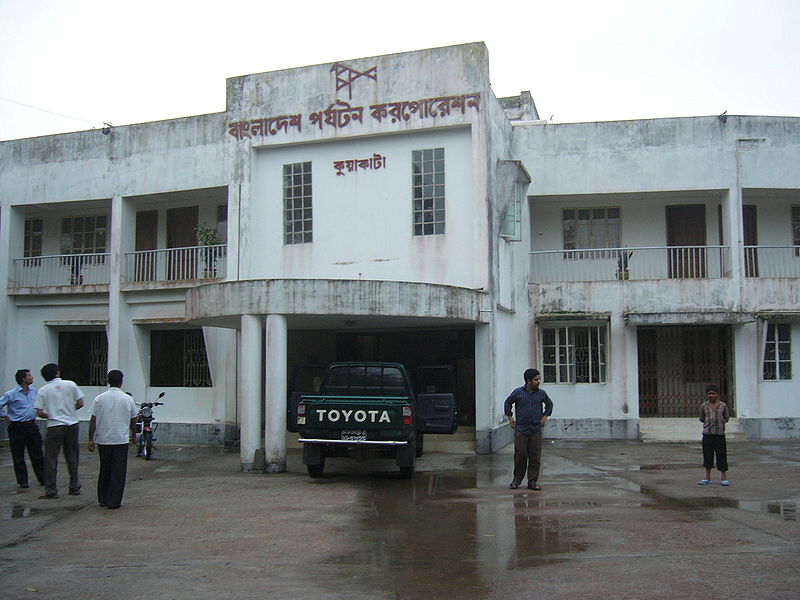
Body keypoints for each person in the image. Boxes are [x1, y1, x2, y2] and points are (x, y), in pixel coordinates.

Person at [88, 370, 138, 509]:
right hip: (120, 439)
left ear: (108, 381)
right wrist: (134, 435)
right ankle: (114, 501)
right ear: (121, 382)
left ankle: (103, 498)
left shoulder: (99, 399)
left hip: (103, 439)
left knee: (105, 468)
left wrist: (91, 439)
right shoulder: (127, 399)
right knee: (118, 471)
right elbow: (134, 420)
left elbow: (93, 420)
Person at [34, 363, 84, 499]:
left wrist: (52, 414)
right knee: (73, 456)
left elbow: (40, 412)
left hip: (55, 425)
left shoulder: (43, 390)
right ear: (57, 373)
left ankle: (51, 490)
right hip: (72, 424)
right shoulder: (71, 384)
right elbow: (80, 403)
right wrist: (70, 411)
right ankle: (74, 486)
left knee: (51, 458)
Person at [504, 368, 553, 490]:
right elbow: (508, 403)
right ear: (529, 381)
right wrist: (510, 418)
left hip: (535, 430)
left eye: (539, 379)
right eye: (536, 380)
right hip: (521, 430)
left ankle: (532, 481)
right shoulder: (518, 393)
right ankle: (516, 480)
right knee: (521, 454)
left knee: (535, 456)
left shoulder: (541, 394)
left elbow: (549, 404)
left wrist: (545, 417)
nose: (539, 382)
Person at [0, 369, 45, 490]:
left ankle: (42, 478)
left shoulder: (34, 392)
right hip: (17, 426)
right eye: (29, 376)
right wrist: (4, 415)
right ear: (23, 379)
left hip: (31, 425)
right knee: (18, 454)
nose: (32, 377)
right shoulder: (11, 394)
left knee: (37, 453)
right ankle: (22, 481)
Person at [698, 384, 730, 486]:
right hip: (707, 434)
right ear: (707, 395)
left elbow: (726, 418)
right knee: (707, 455)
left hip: (719, 434)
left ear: (717, 395)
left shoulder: (723, 406)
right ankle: (707, 478)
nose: (711, 395)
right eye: (709, 394)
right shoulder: (703, 406)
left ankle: (724, 478)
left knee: (721, 455)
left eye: (713, 393)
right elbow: (702, 419)